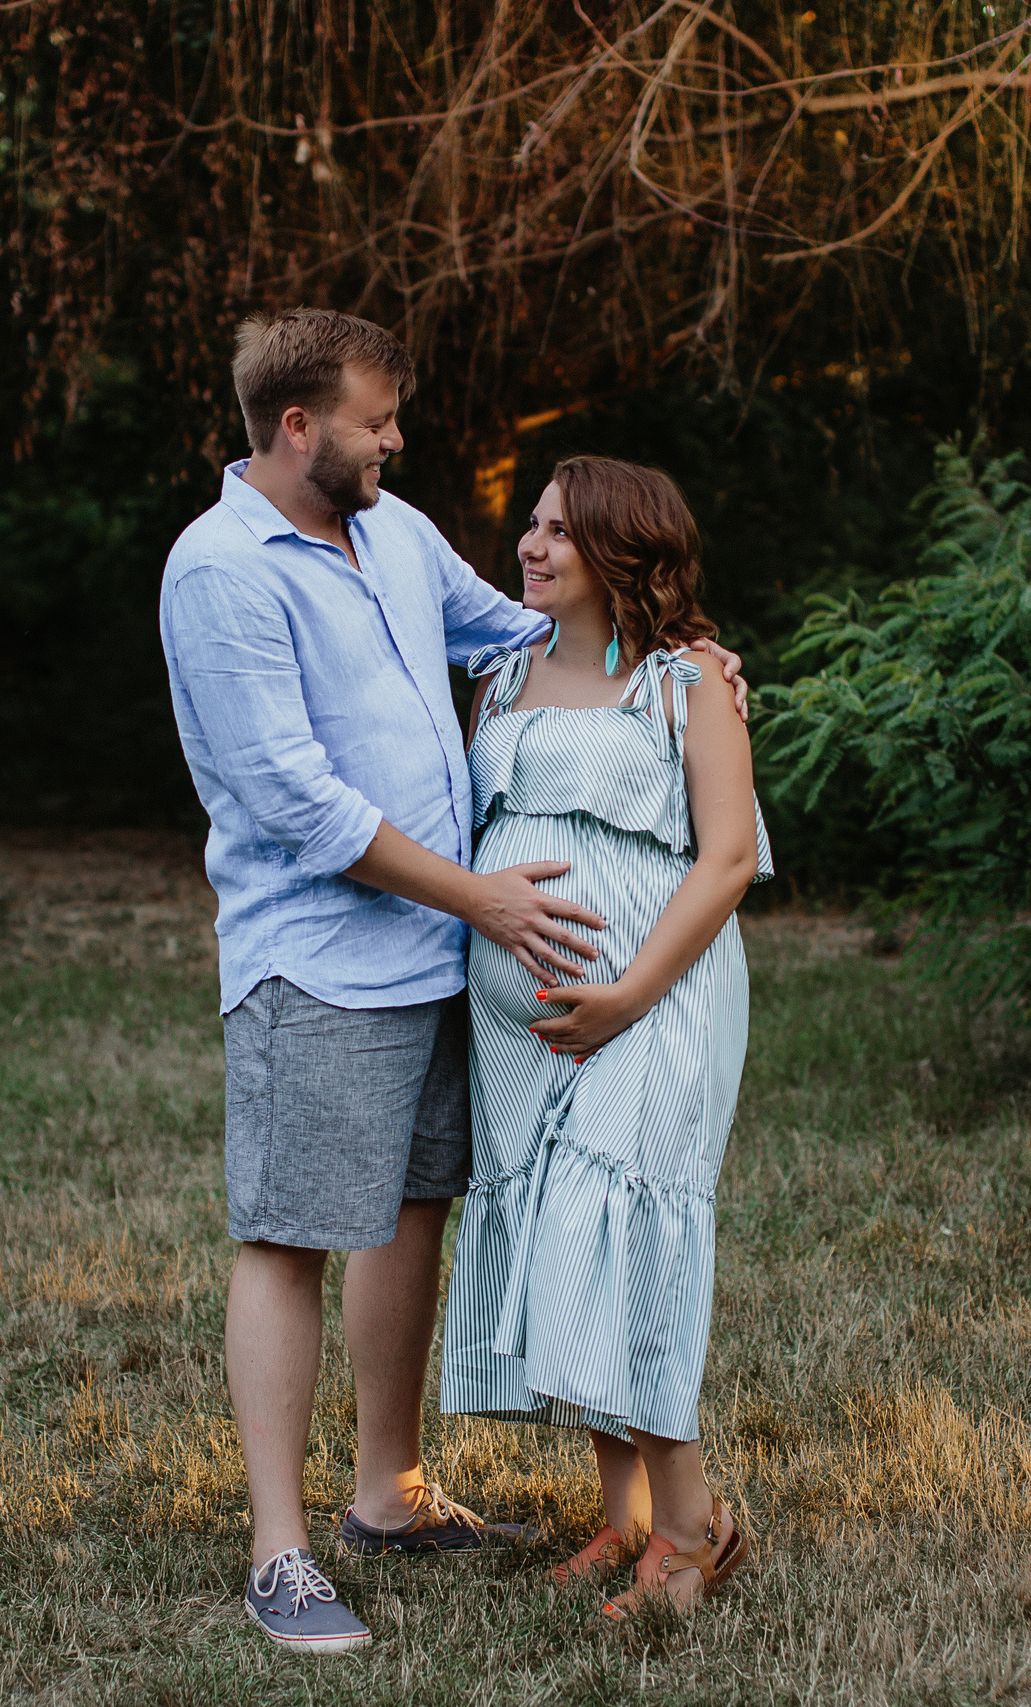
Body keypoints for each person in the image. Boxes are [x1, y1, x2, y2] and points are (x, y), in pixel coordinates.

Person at [157, 312, 745, 1653]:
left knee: (414, 1210)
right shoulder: (220, 571)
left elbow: (527, 630)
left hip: (437, 961)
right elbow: (296, 799)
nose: (397, 440)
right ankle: (279, 1550)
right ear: (299, 425)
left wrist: (684, 652)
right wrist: (478, 894)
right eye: (376, 421)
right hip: (320, 956)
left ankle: (389, 1490)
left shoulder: (394, 533)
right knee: (289, 1232)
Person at [438, 455, 767, 1620]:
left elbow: (727, 859)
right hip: (522, 1030)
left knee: (625, 1237)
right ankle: (624, 1515)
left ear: (623, 549)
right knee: (562, 1234)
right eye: (531, 526)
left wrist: (626, 995)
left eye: (560, 532)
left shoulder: (690, 682)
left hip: (657, 1002)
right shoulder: (504, 674)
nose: (531, 547)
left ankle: (690, 1532)